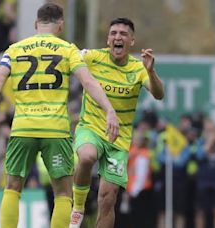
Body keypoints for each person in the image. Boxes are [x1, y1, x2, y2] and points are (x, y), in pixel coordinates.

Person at [0, 3, 119, 228]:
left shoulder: (14, 49)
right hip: (55, 129)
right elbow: (88, 82)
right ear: (60, 25)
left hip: (23, 128)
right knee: (62, 193)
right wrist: (109, 109)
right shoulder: (67, 49)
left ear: (36, 24)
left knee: (12, 187)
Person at [69, 17, 164, 228]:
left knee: (107, 198)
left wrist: (151, 72)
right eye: (113, 33)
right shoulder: (93, 57)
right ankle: (78, 207)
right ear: (108, 39)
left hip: (118, 141)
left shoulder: (138, 68)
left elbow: (159, 94)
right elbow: (70, 57)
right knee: (86, 156)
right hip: (91, 127)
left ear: (131, 40)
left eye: (123, 34)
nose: (117, 37)